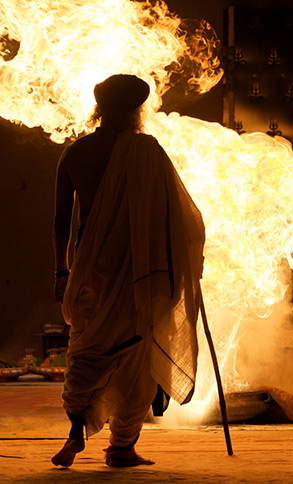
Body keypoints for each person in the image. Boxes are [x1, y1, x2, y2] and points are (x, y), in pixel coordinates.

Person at [51, 74, 205, 467]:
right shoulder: (147, 151)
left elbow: (61, 220)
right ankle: (122, 447)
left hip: (89, 268)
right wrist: (185, 263)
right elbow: (182, 218)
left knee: (86, 351)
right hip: (141, 272)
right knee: (138, 352)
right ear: (138, 111)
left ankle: (75, 431)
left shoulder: (75, 153)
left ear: (100, 109)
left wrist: (61, 270)